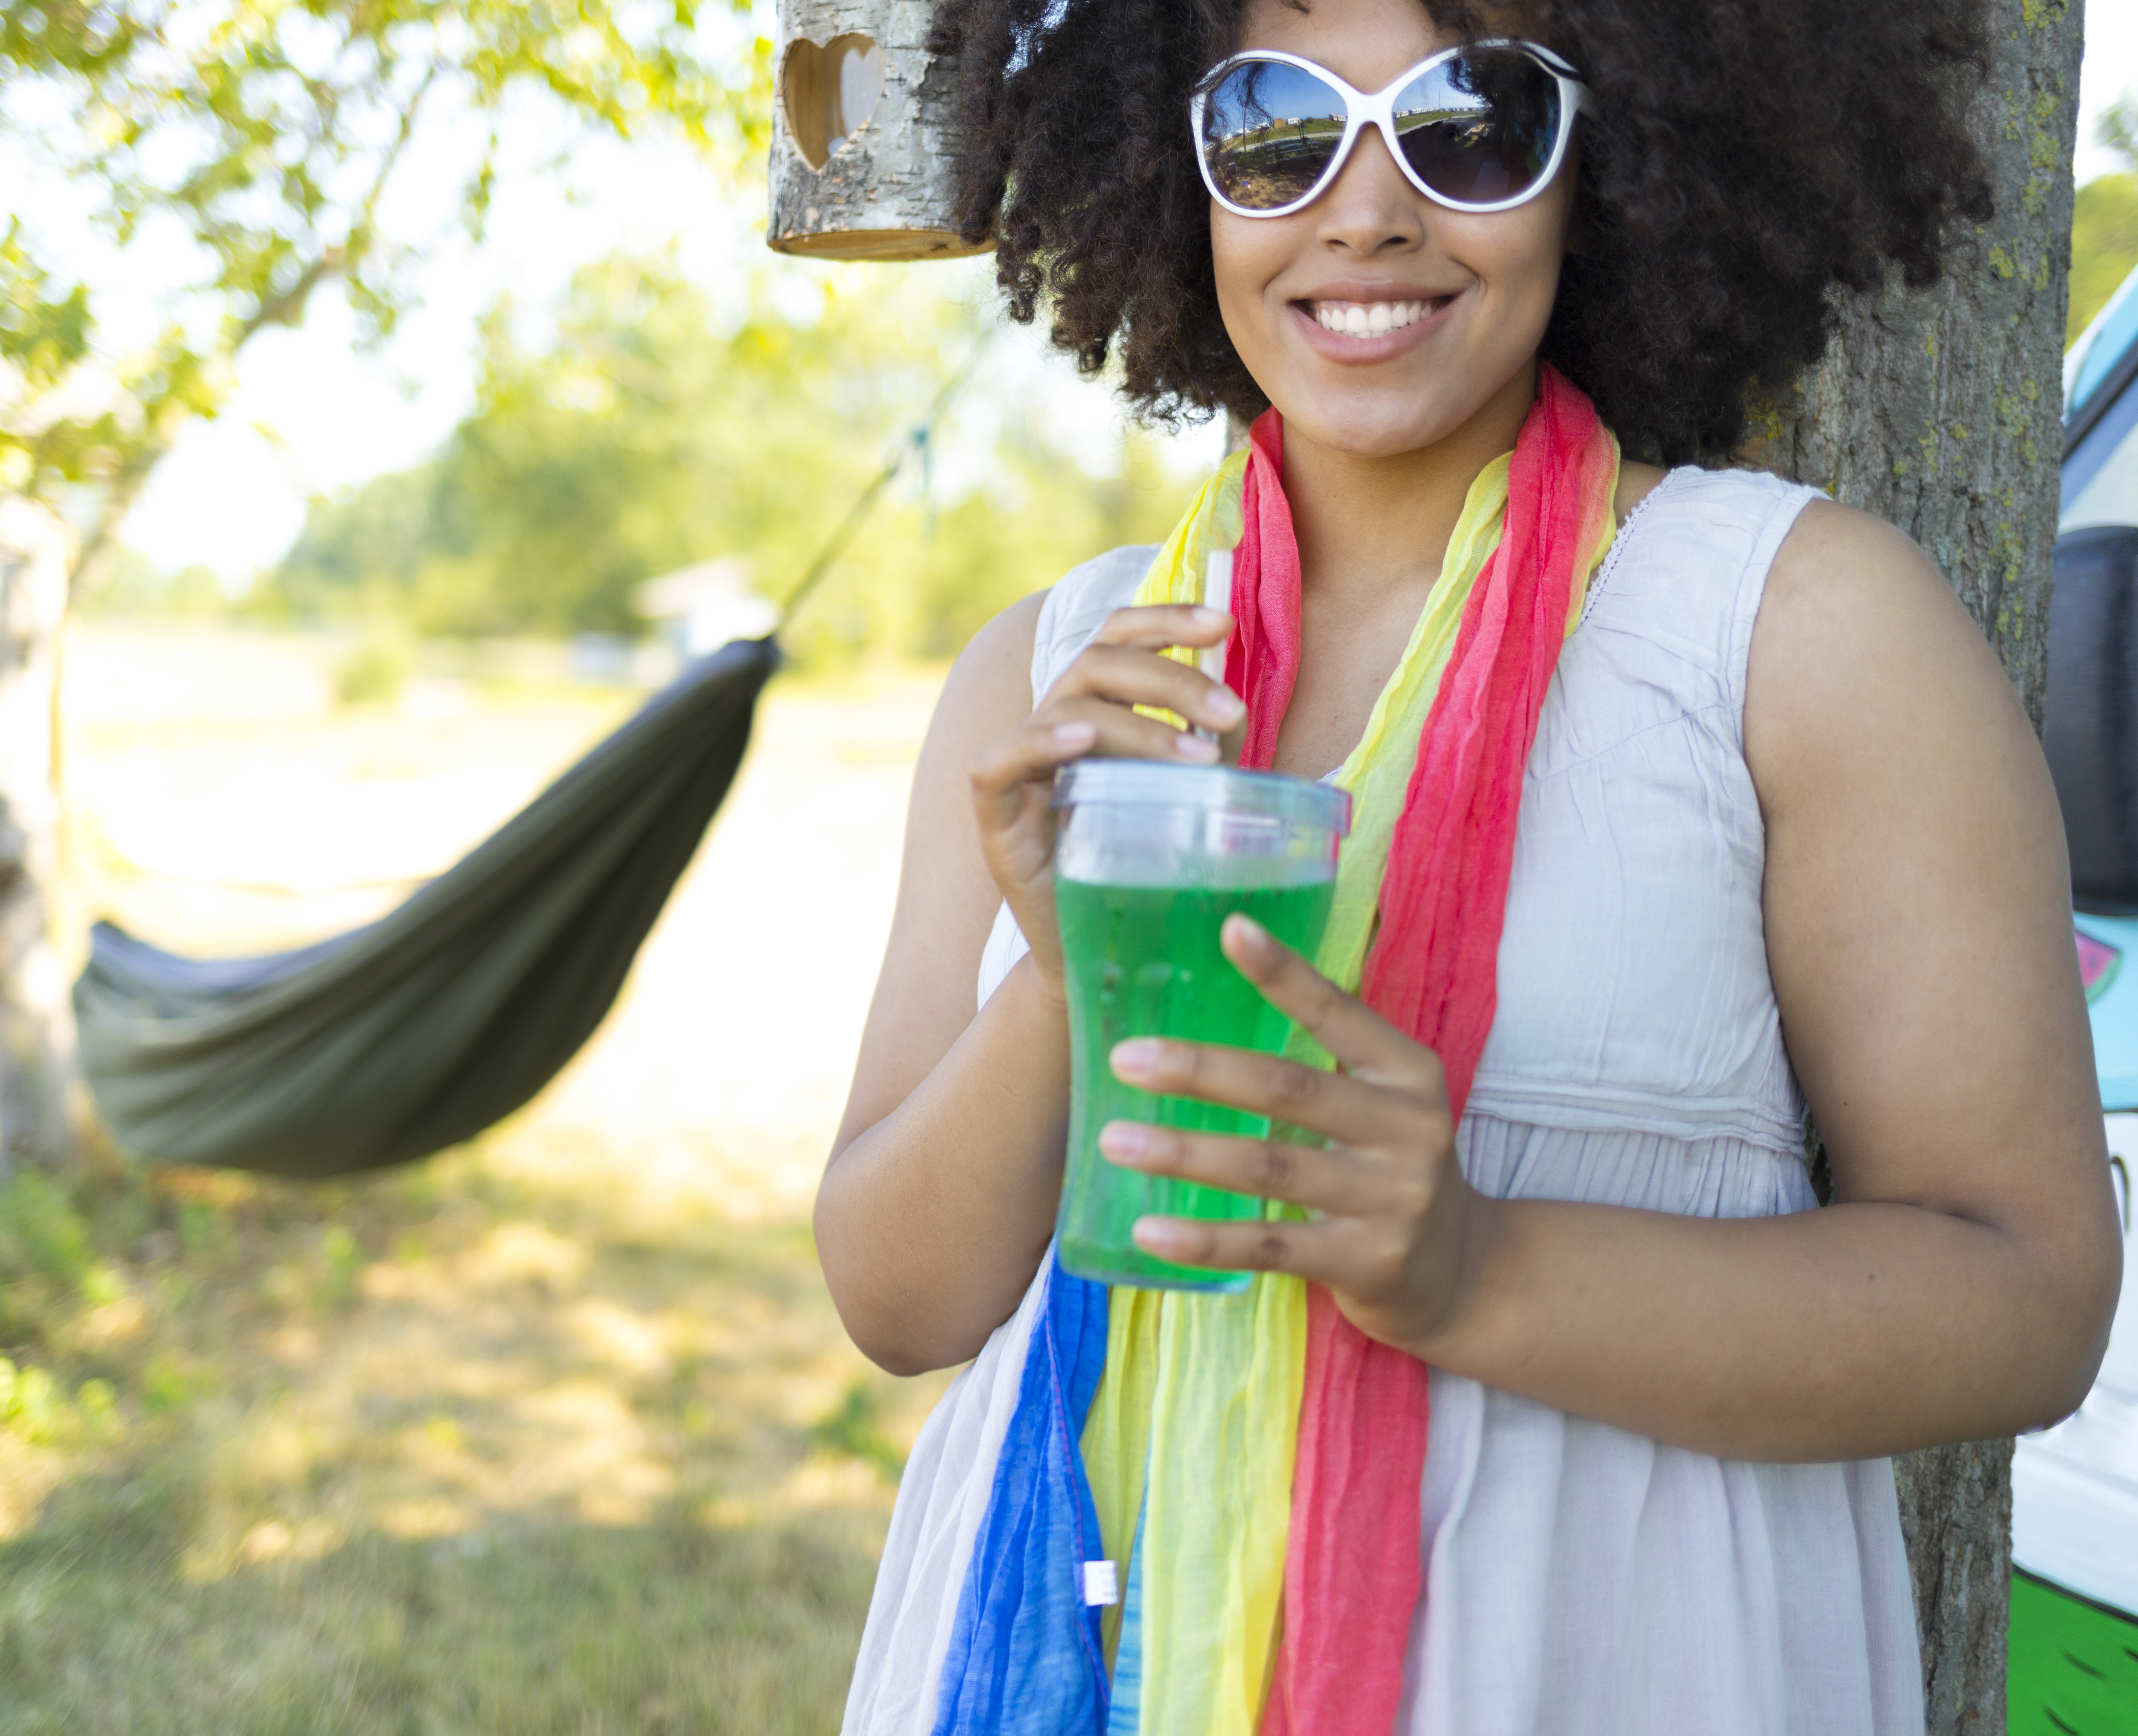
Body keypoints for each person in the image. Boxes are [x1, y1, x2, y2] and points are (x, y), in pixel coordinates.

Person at [815, 0, 2126, 1731]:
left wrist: (1473, 1270)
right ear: (1171, 167)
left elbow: (2028, 1294)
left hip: (1599, 1657)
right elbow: (897, 1301)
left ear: (1621, 161)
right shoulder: (1050, 670)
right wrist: (1072, 970)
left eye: (1475, 121)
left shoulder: (1790, 630)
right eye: (1278, 125)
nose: (1365, 209)